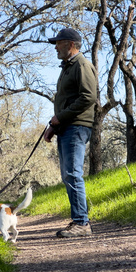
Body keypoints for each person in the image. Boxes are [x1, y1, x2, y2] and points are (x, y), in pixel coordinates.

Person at [44, 28, 98, 238]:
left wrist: (61, 117)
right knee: (68, 175)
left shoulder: (83, 65)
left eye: (58, 43)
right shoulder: (68, 67)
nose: (55, 47)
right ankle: (79, 220)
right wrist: (54, 126)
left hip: (77, 126)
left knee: (73, 174)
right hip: (67, 126)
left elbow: (88, 97)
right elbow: (68, 101)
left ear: (70, 44)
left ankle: (82, 223)